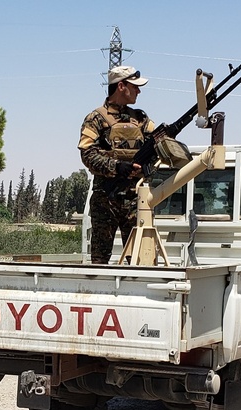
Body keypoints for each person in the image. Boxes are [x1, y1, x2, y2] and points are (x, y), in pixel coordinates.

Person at [78, 65, 156, 264]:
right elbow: (87, 154)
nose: (139, 90)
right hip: (106, 199)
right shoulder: (96, 119)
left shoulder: (141, 119)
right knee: (100, 260)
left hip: (135, 200)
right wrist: (116, 167)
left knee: (140, 259)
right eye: (135, 86)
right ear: (121, 86)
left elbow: (159, 143)